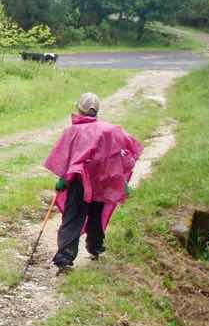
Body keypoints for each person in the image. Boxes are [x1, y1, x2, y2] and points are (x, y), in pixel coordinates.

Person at [45, 92, 143, 275]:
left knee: (73, 216)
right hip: (102, 182)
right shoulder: (111, 130)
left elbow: (68, 160)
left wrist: (63, 179)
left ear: (78, 109)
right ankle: (96, 248)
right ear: (97, 110)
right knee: (96, 216)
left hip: (80, 183)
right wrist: (121, 179)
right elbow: (125, 153)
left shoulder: (73, 131)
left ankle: (65, 259)